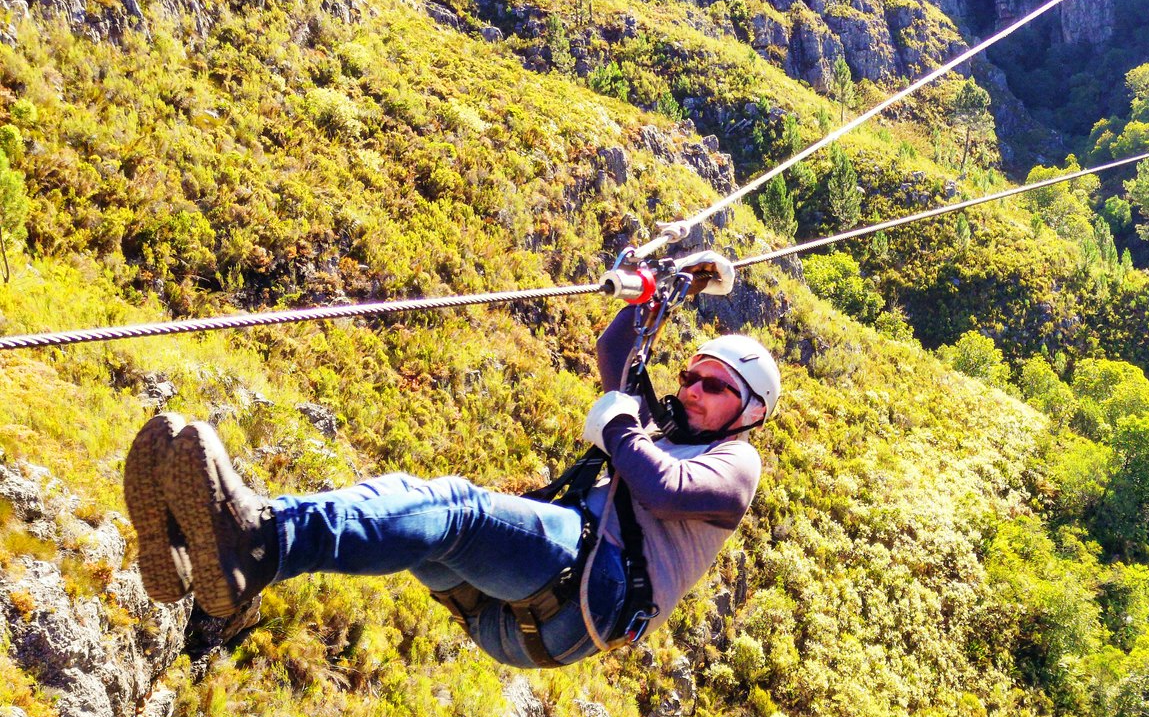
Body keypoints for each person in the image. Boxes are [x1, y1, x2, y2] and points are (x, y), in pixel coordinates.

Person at [123, 252, 779, 665]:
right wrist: (660, 296)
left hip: (586, 595)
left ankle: (260, 544)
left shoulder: (734, 465)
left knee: (455, 508)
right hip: (527, 610)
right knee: (425, 514)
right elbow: (619, 359)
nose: (691, 389)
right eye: (691, 375)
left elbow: (661, 489)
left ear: (749, 412)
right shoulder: (663, 425)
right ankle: (197, 554)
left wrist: (621, 432)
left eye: (714, 387)